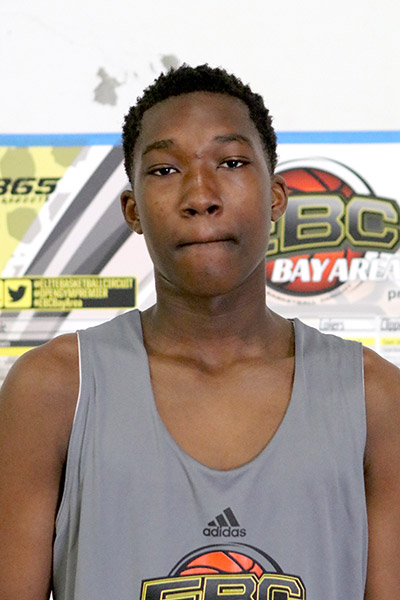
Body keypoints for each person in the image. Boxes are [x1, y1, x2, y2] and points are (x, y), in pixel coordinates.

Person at [0, 64, 399, 600]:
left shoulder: (375, 397)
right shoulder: (52, 390)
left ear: (276, 197)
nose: (200, 195)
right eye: (165, 170)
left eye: (231, 162)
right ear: (132, 210)